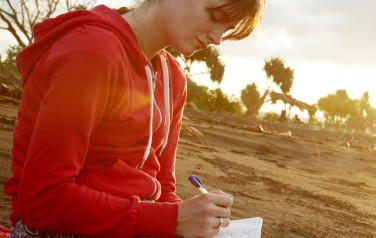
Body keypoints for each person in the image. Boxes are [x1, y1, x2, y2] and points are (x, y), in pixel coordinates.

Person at [3, 0, 264, 237]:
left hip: (129, 223)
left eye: (227, 30)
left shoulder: (173, 76)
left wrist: (193, 217)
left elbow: (163, 185)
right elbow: (43, 199)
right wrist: (173, 220)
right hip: (55, 229)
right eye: (216, 16)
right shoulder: (91, 50)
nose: (217, 39)